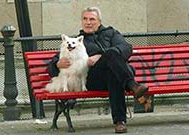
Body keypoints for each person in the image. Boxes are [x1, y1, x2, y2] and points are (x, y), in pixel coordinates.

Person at [47, 6, 148, 134]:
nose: (88, 22)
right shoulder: (76, 42)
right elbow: (52, 65)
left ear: (99, 22)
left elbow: (126, 48)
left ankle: (120, 122)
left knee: (112, 64)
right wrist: (57, 64)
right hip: (94, 78)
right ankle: (132, 86)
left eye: (92, 19)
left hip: (115, 75)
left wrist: (102, 56)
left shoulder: (111, 33)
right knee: (111, 60)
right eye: (85, 19)